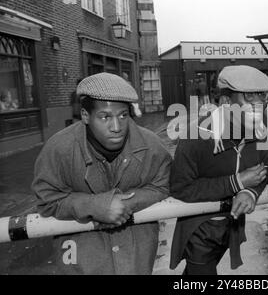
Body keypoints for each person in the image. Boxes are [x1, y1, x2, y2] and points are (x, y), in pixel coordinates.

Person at [32, 72, 172, 275]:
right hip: (82, 260)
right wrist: (95, 206)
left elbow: (164, 184)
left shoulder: (152, 145)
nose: (116, 127)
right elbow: (47, 200)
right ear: (85, 115)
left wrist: (127, 204)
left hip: (136, 257)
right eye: (105, 117)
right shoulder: (59, 149)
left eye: (123, 115)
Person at [169, 65, 268, 275]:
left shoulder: (261, 130)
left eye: (262, 99)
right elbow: (180, 187)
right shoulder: (195, 136)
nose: (258, 107)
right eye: (249, 99)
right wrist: (238, 182)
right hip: (198, 228)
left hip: (231, 225)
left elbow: (265, 167)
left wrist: (249, 191)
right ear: (226, 103)